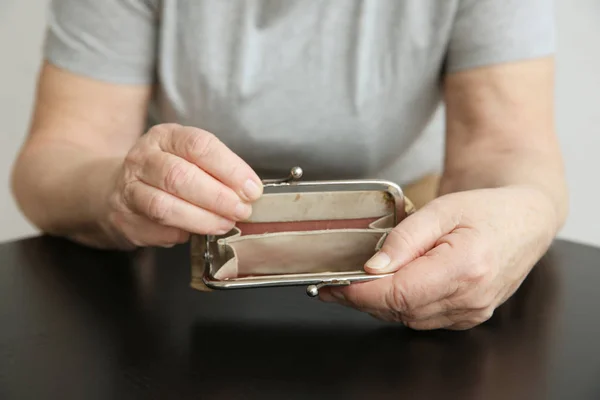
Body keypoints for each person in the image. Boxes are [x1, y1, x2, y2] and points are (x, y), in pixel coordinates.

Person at [10, 0, 568, 331]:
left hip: (403, 252)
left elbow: (504, 148)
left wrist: (523, 214)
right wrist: (115, 189)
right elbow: (56, 157)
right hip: (176, 267)